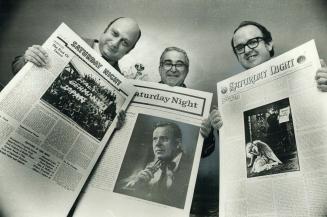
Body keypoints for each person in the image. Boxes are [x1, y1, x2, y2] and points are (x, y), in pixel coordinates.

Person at [11, 17, 142, 129]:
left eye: (125, 42)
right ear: (105, 31)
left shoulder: (121, 87)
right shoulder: (68, 41)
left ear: (129, 51)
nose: (115, 44)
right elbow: (17, 68)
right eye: (114, 34)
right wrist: (28, 58)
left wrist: (115, 127)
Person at [158, 46, 223, 157]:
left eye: (179, 64)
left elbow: (204, 154)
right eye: (168, 63)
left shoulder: (200, 105)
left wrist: (205, 138)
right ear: (160, 68)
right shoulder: (139, 96)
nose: (173, 69)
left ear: (186, 71)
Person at [231, 20, 327, 91]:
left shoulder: (311, 72)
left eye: (252, 42)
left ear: (268, 44)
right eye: (239, 48)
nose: (247, 50)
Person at [122, 122, 192, 208]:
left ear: (177, 143)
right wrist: (137, 184)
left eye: (164, 139)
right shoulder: (151, 166)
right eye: (155, 139)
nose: (157, 144)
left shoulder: (191, 167)